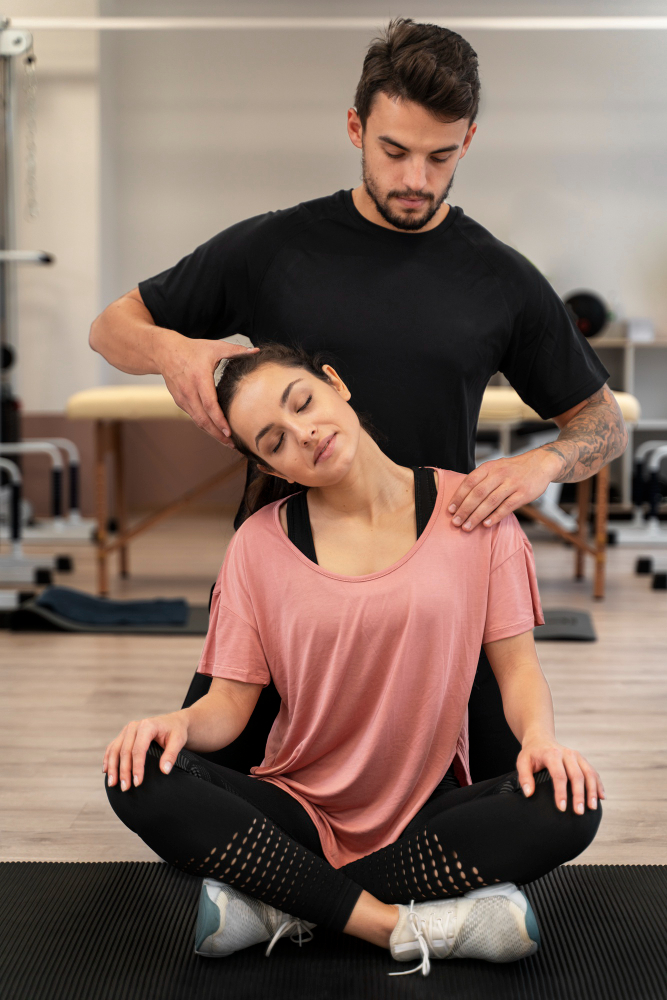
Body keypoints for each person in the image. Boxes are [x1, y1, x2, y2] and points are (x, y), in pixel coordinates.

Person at [90, 17, 627, 784]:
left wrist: (540, 465)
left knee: (532, 793)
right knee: (170, 775)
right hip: (293, 587)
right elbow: (112, 327)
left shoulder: (499, 278)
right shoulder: (275, 247)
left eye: (440, 157)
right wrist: (178, 354)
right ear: (354, 127)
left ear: (467, 142)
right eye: (394, 150)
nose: (416, 178)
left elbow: (598, 423)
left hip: (436, 590)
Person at [105, 344, 604, 977]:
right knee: (138, 773)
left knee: (570, 803)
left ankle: (283, 902)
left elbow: (519, 671)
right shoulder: (257, 546)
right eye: (274, 440)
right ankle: (402, 925)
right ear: (267, 463)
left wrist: (541, 740)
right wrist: (173, 725)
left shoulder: (475, 511)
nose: (304, 434)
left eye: (302, 402)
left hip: (427, 811)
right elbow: (229, 707)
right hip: (298, 810)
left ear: (335, 383)